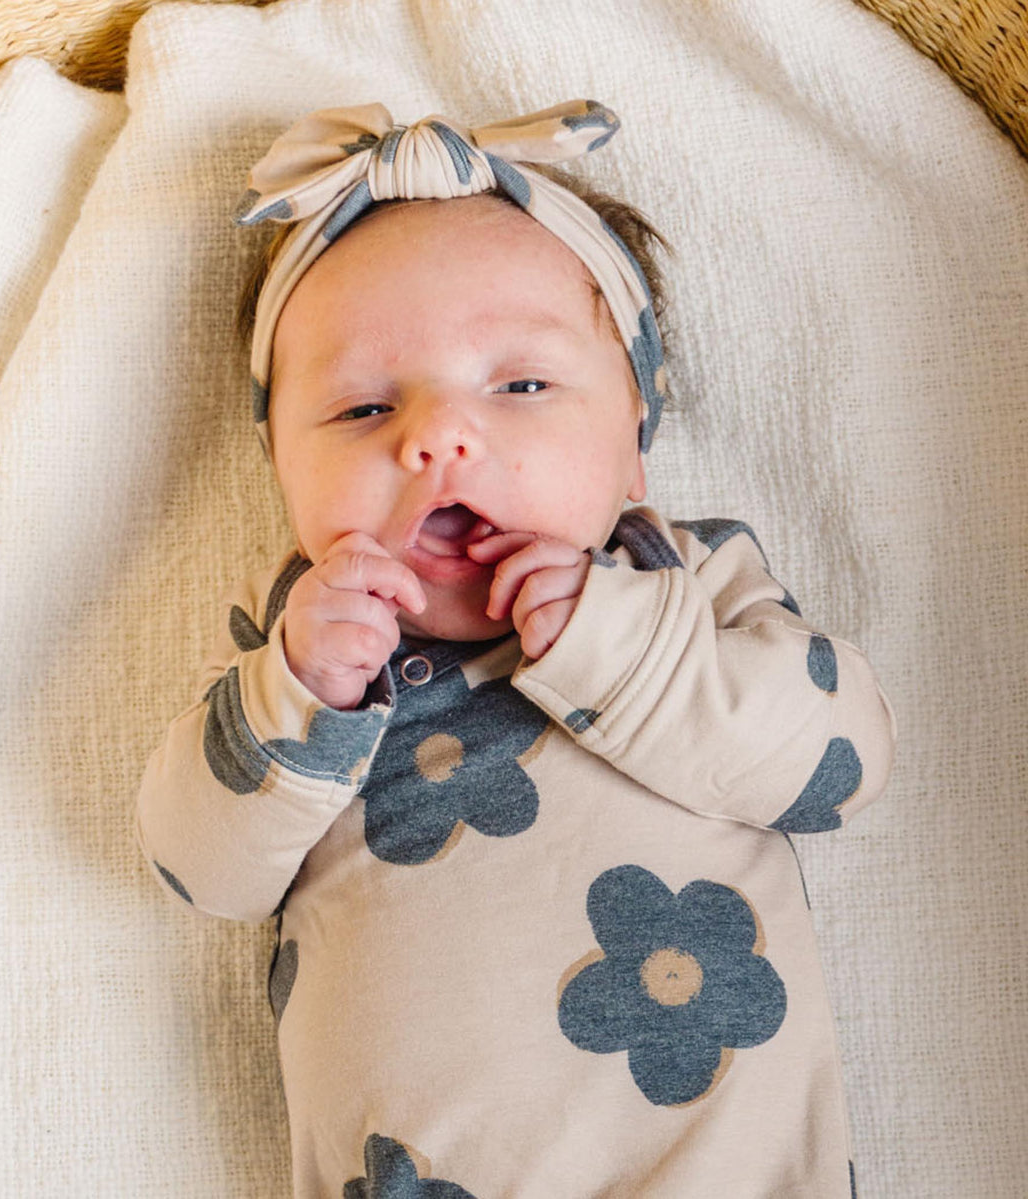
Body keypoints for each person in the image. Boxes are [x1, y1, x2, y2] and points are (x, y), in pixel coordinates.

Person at [137, 99, 895, 1198]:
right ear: (281, 474)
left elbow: (843, 759)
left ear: (635, 439)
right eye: (358, 408)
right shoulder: (296, 636)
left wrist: (624, 650)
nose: (438, 435)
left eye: (521, 385)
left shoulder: (682, 580)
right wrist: (299, 690)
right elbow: (198, 864)